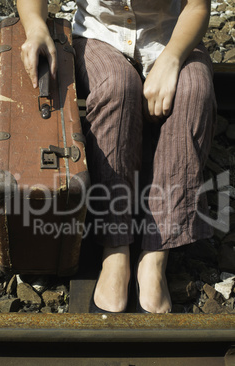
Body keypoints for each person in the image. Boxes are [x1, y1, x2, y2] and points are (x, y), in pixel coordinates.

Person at [17, 0, 216, 313]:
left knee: (194, 92)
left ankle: (154, 257)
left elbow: (196, 6)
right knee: (117, 87)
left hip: (170, 38)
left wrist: (172, 59)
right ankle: (115, 249)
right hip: (99, 37)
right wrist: (36, 27)